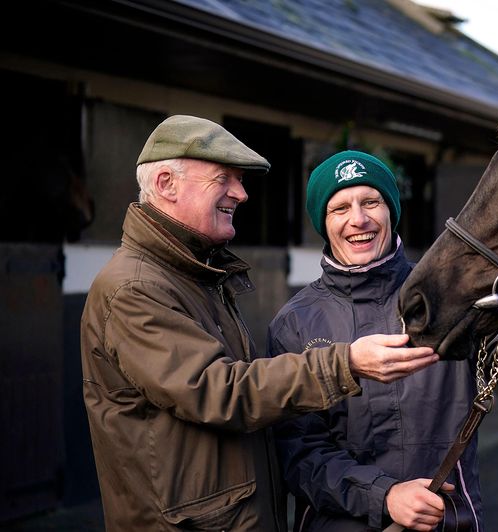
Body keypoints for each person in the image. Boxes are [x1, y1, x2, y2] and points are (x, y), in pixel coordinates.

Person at [80, 117, 438, 531]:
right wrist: (346, 364)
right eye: (224, 178)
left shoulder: (193, 275)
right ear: (166, 184)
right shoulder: (135, 288)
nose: (241, 193)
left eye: (370, 202)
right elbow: (217, 390)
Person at [268, 150, 498, 531]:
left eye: (371, 202)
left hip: (447, 521)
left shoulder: (447, 296)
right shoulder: (295, 323)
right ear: (322, 223)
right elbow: (296, 452)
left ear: (391, 210)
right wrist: (385, 496)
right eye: (339, 208)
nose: (358, 219)